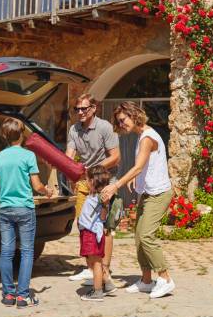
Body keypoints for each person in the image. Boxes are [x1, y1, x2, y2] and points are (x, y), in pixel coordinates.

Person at [101, 101, 175, 299]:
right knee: (138, 237)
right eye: (119, 121)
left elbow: (139, 167)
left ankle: (165, 278)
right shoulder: (142, 135)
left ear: (133, 115)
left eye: (123, 120)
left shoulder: (147, 138)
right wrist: (134, 178)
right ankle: (146, 280)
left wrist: (116, 185)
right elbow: (143, 165)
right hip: (148, 193)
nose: (122, 124)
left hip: (158, 194)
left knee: (146, 237)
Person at [0, 118, 52, 308]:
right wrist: (47, 191)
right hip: (25, 208)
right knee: (27, 252)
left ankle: (9, 294)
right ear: (22, 135)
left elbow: (0, 182)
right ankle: (22, 296)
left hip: (5, 208)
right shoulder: (28, 156)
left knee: (7, 251)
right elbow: (36, 185)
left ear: (4, 135)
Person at [65, 93, 121, 292]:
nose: (80, 112)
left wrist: (93, 170)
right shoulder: (74, 129)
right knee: (84, 225)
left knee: (105, 227)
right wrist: (63, 165)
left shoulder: (105, 127)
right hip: (85, 183)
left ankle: (104, 270)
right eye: (77, 109)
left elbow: (115, 157)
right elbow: (69, 157)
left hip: (106, 181)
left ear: (93, 108)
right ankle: (92, 268)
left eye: (84, 108)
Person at [78, 166, 111, 301]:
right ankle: (107, 283)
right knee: (93, 262)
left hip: (91, 234)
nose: (85, 181)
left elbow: (103, 218)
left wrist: (104, 205)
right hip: (89, 232)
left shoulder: (99, 198)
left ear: (92, 181)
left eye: (86, 179)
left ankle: (97, 291)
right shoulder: (94, 196)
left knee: (96, 263)